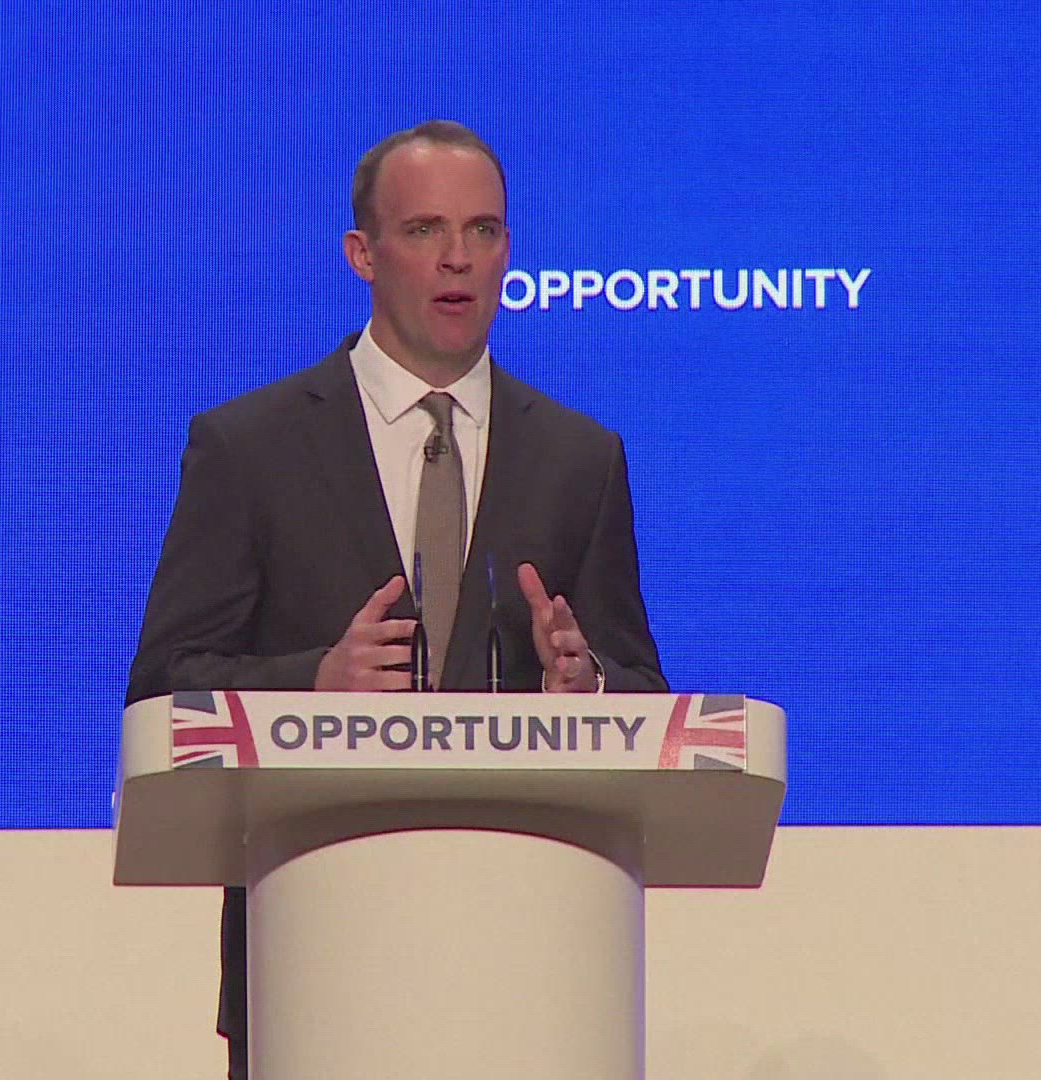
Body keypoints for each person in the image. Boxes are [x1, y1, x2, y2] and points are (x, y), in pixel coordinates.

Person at [125, 119, 666, 1080]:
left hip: (532, 974)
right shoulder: (249, 449)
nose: (459, 258)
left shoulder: (579, 458)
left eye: (483, 231)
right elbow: (165, 692)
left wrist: (585, 685)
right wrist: (314, 685)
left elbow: (642, 690)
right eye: (424, 231)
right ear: (362, 254)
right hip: (317, 973)